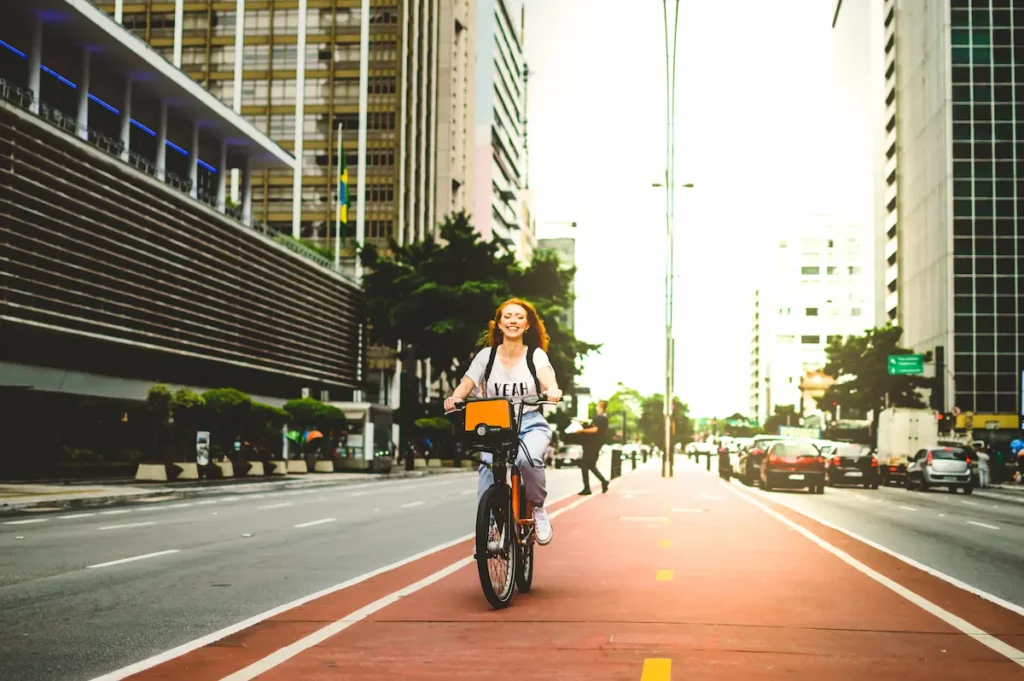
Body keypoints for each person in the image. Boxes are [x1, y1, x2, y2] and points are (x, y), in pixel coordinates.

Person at [444, 298, 563, 545]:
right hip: (495, 426)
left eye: (519, 317)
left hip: (529, 422)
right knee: (487, 467)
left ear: (527, 325)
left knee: (526, 459)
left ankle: (539, 509)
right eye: (507, 316)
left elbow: (547, 376)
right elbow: (467, 382)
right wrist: (456, 397)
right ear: (498, 324)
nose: (513, 321)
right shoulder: (486, 357)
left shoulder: (535, 355)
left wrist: (552, 389)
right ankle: (490, 525)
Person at [576, 400, 610, 495]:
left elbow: (595, 430)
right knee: (590, 465)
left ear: (599, 406)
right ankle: (603, 481)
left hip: (592, 444)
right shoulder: (604, 417)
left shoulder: (599, 417)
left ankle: (587, 488)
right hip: (598, 443)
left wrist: (581, 430)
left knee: (584, 465)